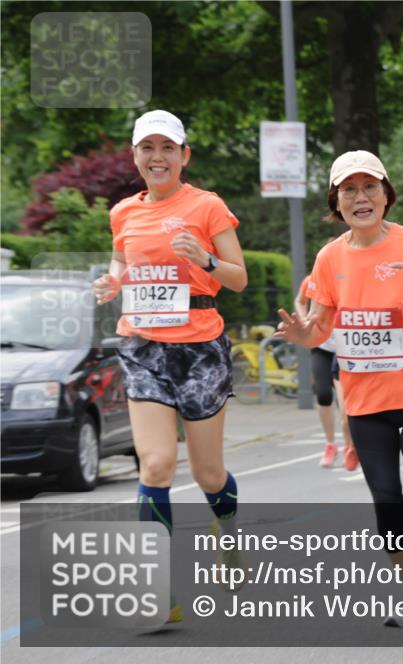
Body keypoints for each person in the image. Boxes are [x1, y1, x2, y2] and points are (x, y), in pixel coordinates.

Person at [276, 150, 403, 627]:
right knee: (387, 504)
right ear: (336, 200)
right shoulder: (330, 257)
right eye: (349, 190)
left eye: (370, 187)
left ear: (386, 194)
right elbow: (322, 328)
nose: (360, 197)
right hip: (366, 405)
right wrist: (306, 335)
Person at [92, 110, 248, 622]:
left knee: (207, 473)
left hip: (199, 348)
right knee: (156, 464)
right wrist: (112, 283)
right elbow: (121, 262)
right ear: (134, 155)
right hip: (142, 347)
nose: (156, 157)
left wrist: (203, 258)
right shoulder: (123, 213)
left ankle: (227, 527)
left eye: (167, 148)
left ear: (184, 156)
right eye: (147, 148)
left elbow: (239, 278)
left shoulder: (207, 206)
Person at [294, 271, 358, 471]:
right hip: (322, 347)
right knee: (322, 395)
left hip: (345, 348)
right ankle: (330, 444)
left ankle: (350, 446)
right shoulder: (312, 280)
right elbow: (300, 301)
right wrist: (304, 320)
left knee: (345, 408)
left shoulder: (351, 278)